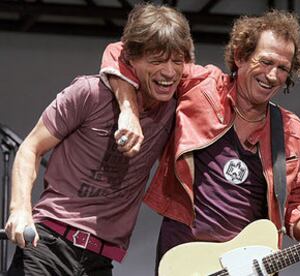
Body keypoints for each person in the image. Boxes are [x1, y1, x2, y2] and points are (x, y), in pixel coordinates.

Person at [101, 9, 300, 274]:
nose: (272, 75)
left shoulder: (291, 131)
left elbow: (293, 211)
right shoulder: (201, 85)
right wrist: (129, 112)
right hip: (185, 258)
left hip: (248, 267)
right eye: (265, 62)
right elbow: (121, 52)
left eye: (282, 68)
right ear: (241, 56)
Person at [4, 3, 194, 275]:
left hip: (100, 260)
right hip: (48, 244)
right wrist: (20, 209)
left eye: (177, 61)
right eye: (156, 60)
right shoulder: (88, 93)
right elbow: (30, 147)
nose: (169, 71)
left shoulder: (174, 109)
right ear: (131, 58)